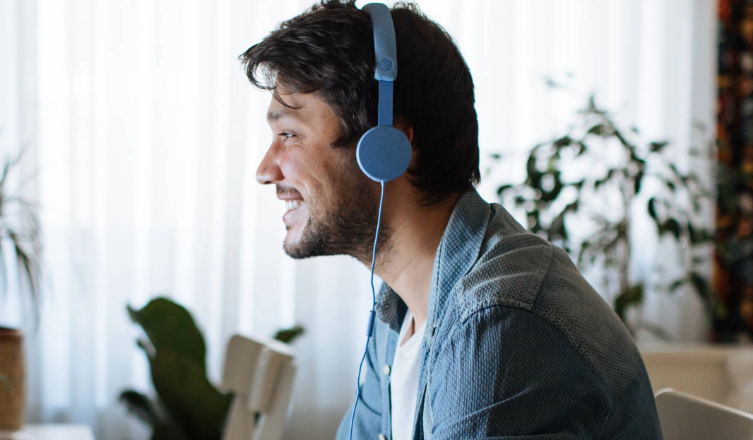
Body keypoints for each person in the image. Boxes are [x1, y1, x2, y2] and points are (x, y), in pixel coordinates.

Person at [240, 1, 662, 439]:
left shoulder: (498, 323)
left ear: (387, 146)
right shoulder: (400, 308)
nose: (265, 171)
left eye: (289, 134)